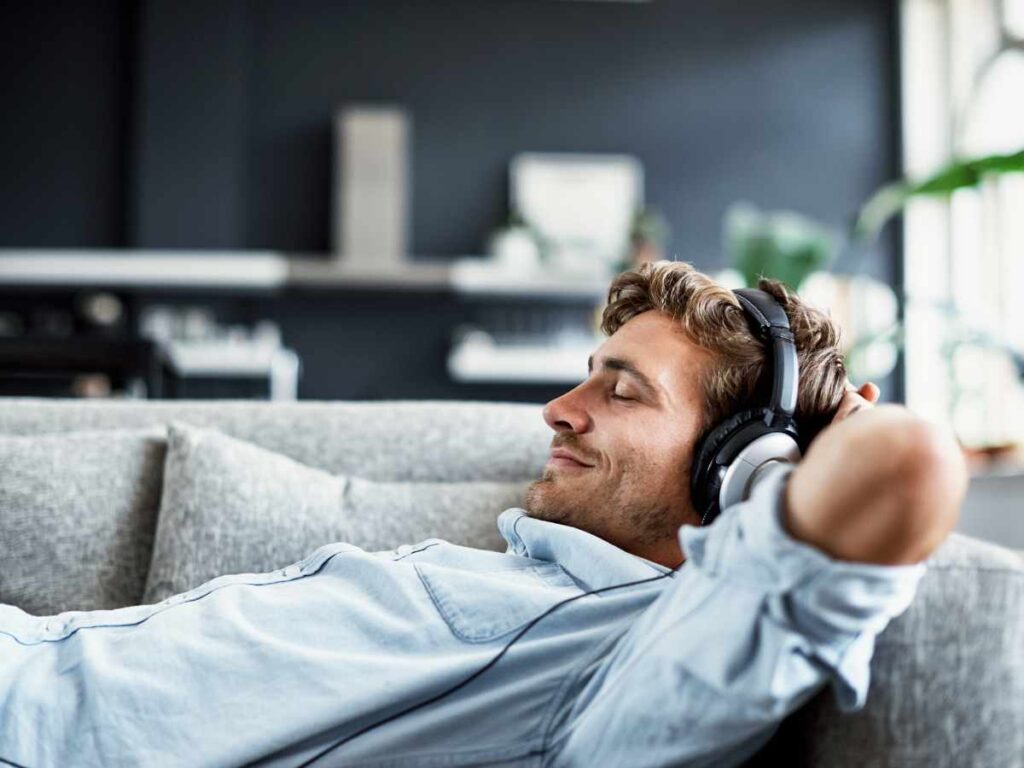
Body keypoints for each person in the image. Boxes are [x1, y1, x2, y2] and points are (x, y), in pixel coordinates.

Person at [0, 262, 966, 768]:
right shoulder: (528, 576)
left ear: (730, 460)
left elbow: (907, 466)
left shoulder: (629, 653)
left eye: (623, 393)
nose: (560, 409)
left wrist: (782, 466)